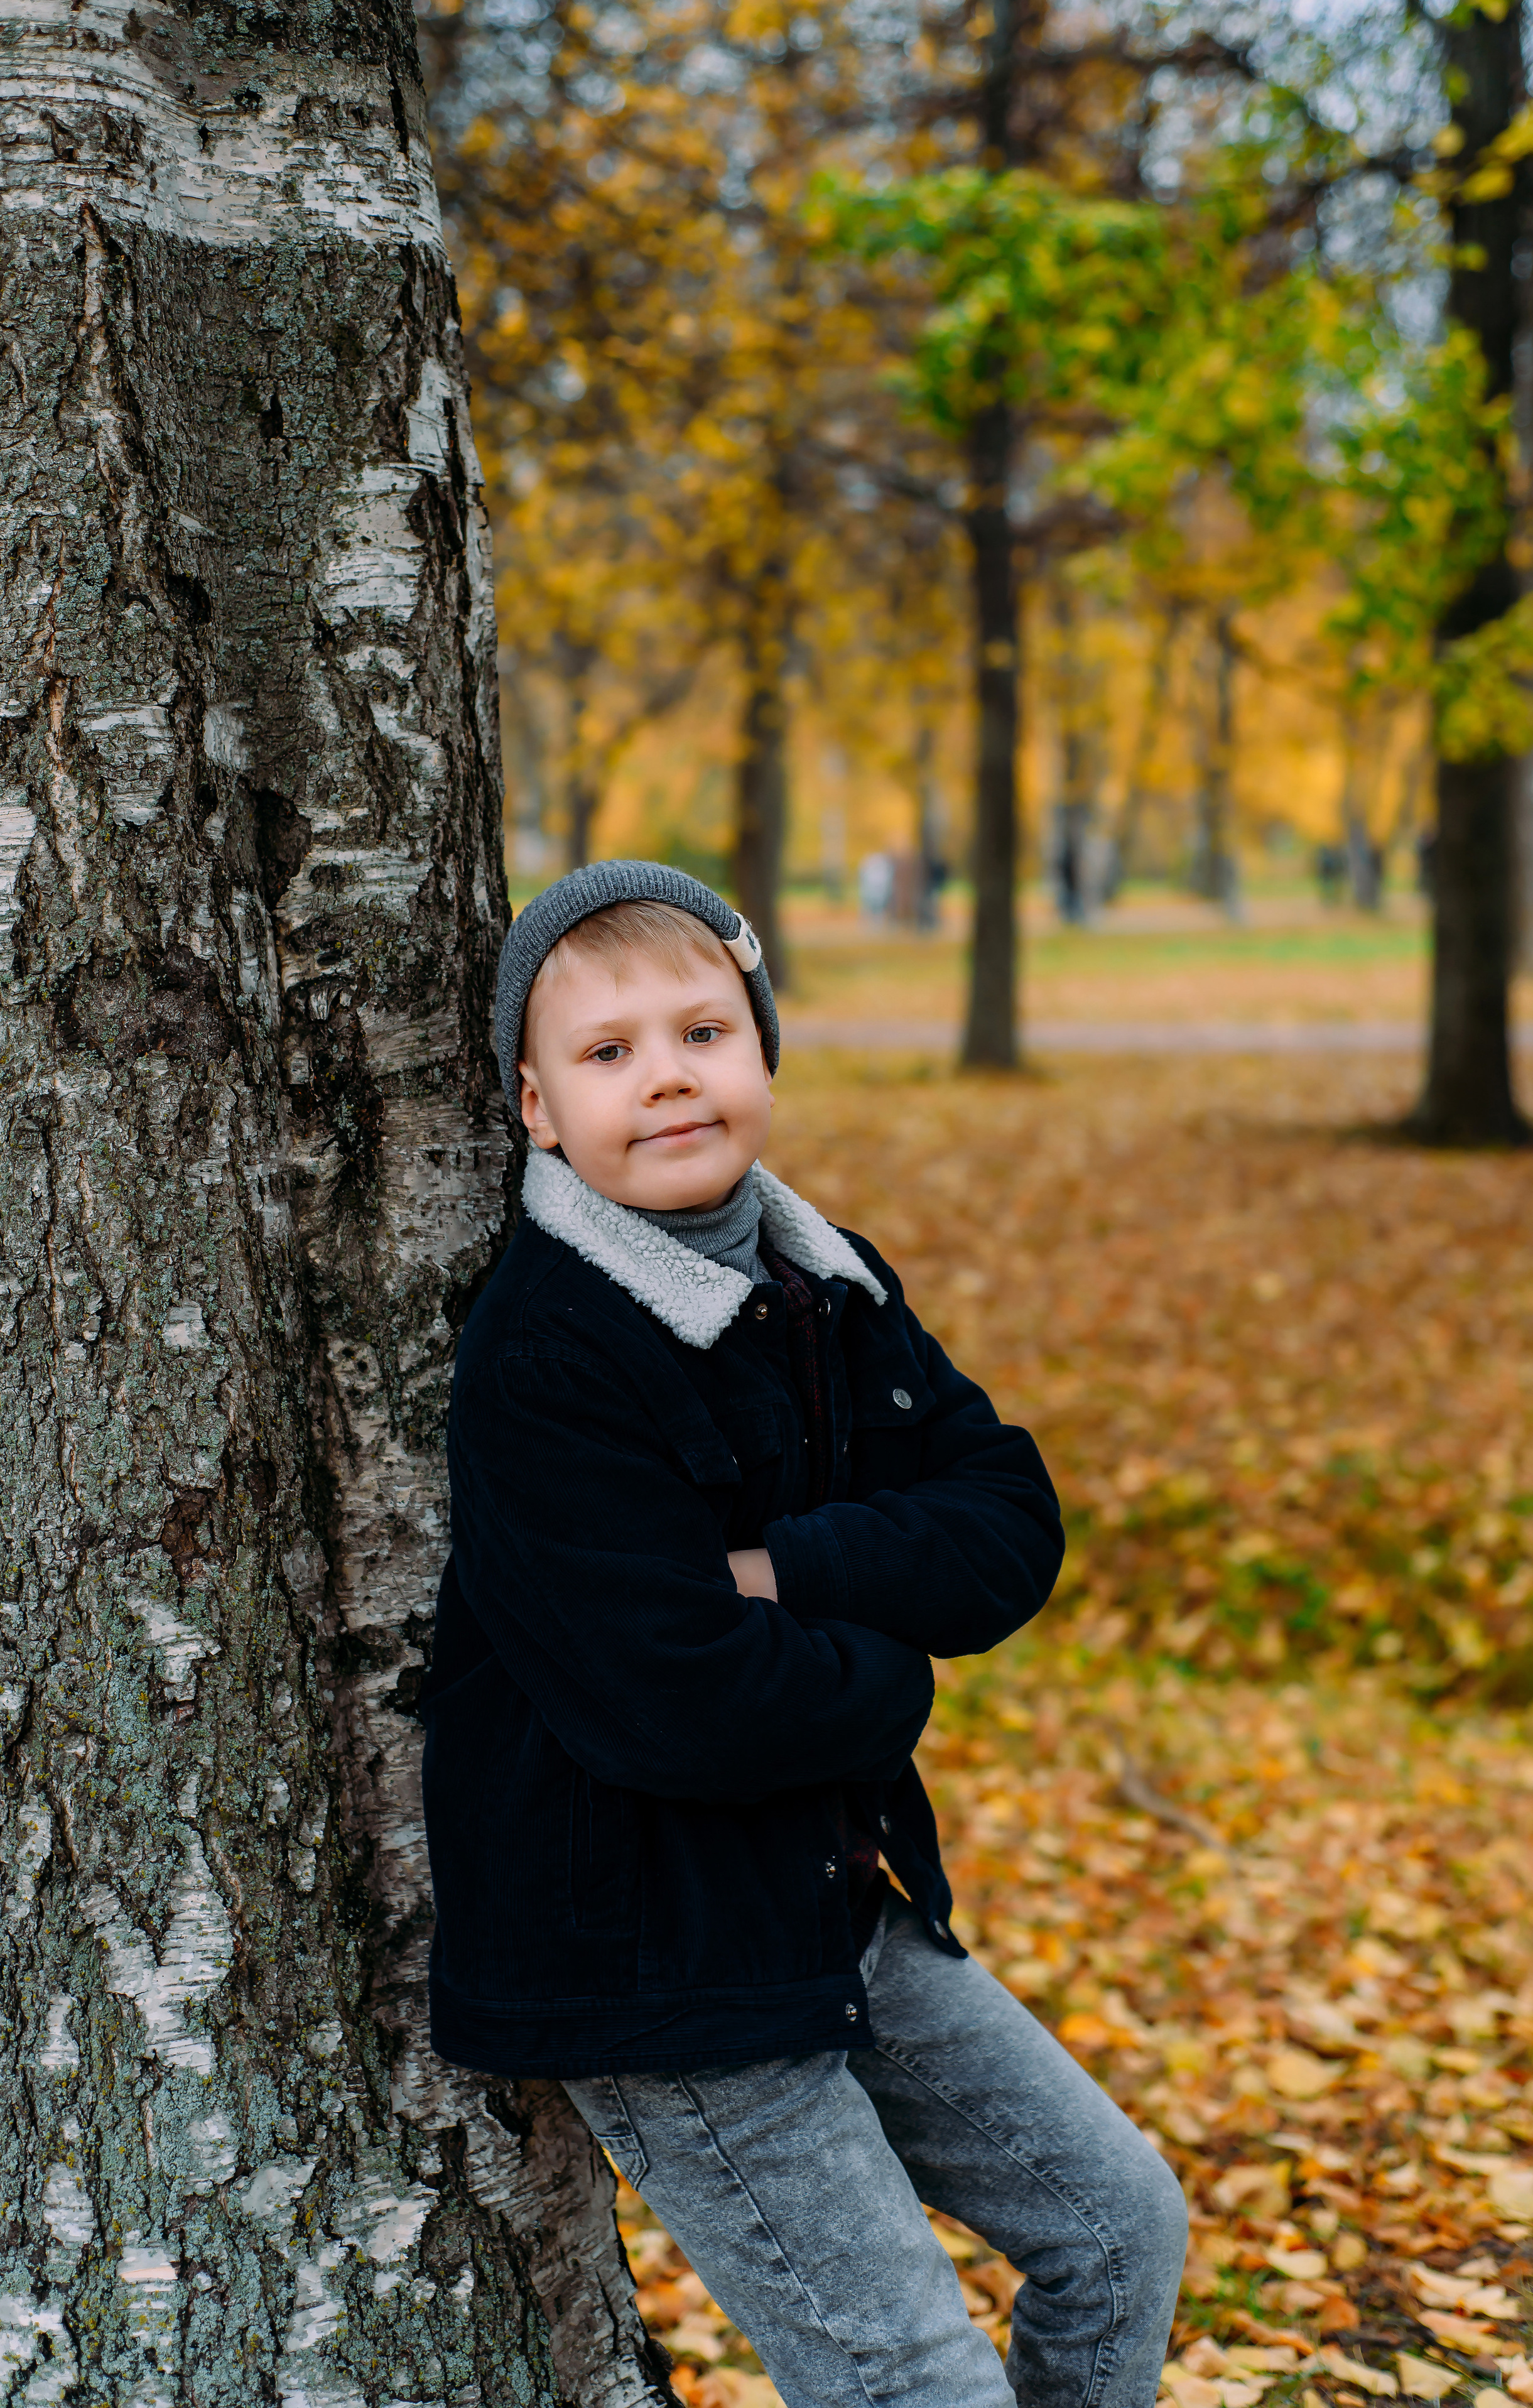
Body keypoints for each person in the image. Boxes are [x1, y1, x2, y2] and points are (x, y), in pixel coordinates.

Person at [421, 860, 1188, 2408]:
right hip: (658, 1961)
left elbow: (1004, 1518)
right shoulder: (550, 1347)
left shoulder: (821, 1280)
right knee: (915, 2384)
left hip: (826, 1901)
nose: (668, 1078)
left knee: (1118, 2228)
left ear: (761, 1050)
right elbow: (669, 1699)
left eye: (703, 1030)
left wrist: (781, 1568)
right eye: (610, 1052)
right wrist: (889, 1668)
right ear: (536, 1107)